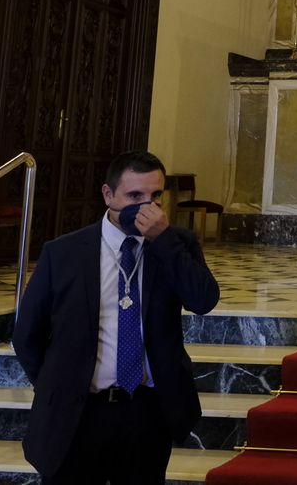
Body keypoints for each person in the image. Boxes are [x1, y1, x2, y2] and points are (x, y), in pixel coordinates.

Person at [13, 151, 221, 483]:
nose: (146, 208)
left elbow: (203, 300)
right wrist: (60, 385)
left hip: (146, 409)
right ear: (108, 195)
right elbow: (27, 335)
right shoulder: (63, 253)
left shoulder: (176, 244)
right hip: (80, 410)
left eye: (155, 196)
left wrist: (163, 240)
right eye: (134, 196)